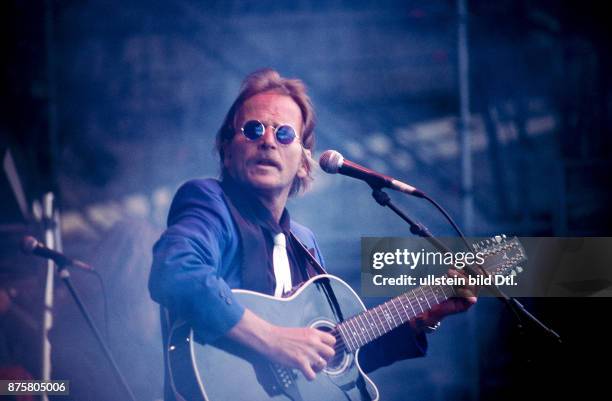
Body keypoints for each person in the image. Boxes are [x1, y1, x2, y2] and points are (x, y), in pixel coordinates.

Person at [148, 68, 476, 400]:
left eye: (285, 134)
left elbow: (332, 361)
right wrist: (273, 339)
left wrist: (423, 317)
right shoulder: (209, 201)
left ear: (305, 162)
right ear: (227, 151)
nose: (267, 141)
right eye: (253, 129)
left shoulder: (304, 244)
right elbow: (177, 272)